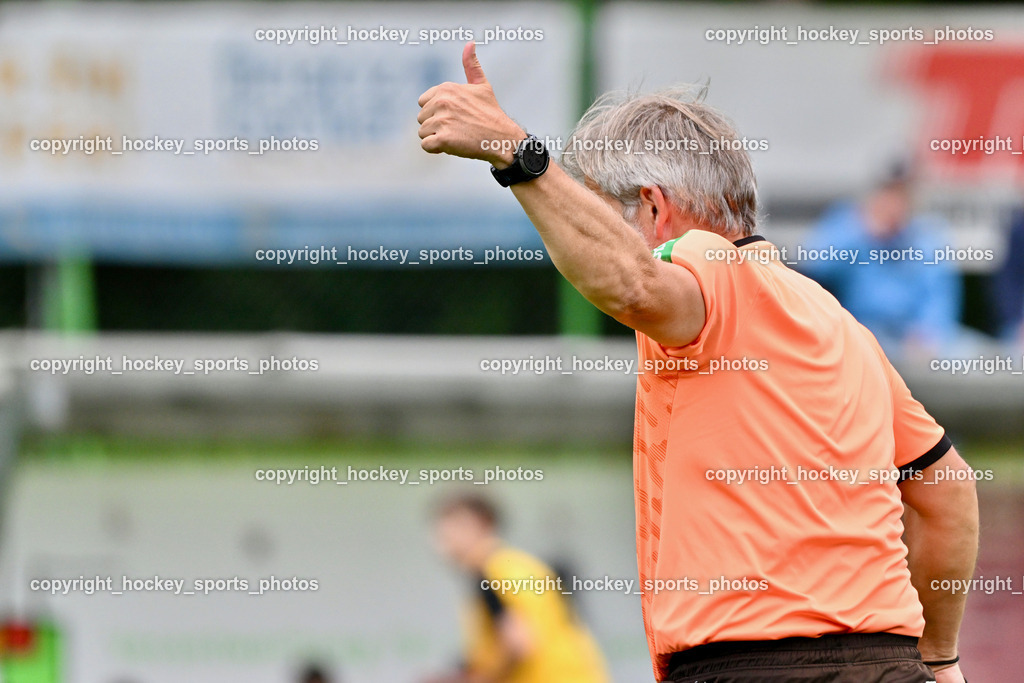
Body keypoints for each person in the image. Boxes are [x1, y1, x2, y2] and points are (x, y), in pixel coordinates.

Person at [416, 42, 979, 683]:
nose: (576, 239)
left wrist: (516, 155)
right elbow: (948, 491)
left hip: (749, 668)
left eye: (597, 215)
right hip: (887, 668)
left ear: (655, 210)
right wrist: (939, 656)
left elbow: (631, 285)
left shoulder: (709, 264)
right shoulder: (843, 327)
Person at [424, 494, 610, 683]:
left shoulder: (491, 572)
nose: (443, 539)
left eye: (454, 527)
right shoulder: (514, 565)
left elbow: (520, 642)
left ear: (484, 525)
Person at [800, 163, 962, 358]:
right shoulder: (848, 223)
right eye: (888, 191)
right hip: (859, 329)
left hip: (911, 336)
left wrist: (928, 332)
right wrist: (863, 231)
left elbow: (940, 296)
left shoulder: (926, 235)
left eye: (901, 194)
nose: (893, 202)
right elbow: (815, 266)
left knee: (970, 352)